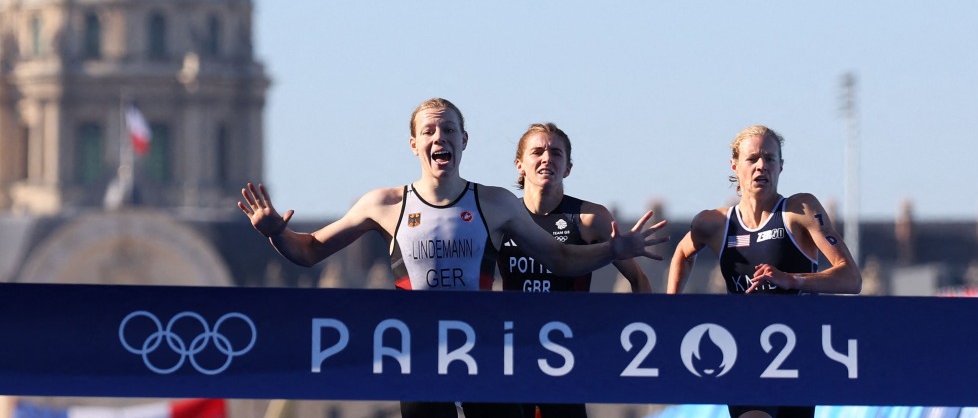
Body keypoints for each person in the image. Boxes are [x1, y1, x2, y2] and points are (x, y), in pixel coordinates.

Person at [238, 97, 668, 418]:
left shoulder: (496, 203)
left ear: (464, 141)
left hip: (484, 353)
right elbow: (309, 251)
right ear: (413, 144)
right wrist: (277, 233)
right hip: (419, 355)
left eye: (448, 131)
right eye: (429, 131)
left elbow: (558, 258)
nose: (439, 138)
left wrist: (613, 249)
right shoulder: (384, 203)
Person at [665, 124, 862, 418]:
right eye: (752, 159)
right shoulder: (713, 223)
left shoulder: (799, 210)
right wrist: (671, 308)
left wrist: (790, 279)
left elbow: (851, 278)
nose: (761, 166)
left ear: (781, 166)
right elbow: (682, 253)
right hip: (744, 348)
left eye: (769, 159)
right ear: (734, 165)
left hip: (799, 350)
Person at [497, 122, 652, 418]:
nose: (547, 159)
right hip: (514, 351)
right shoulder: (501, 218)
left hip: (565, 354)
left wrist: (640, 338)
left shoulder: (589, 218)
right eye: (538, 151)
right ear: (520, 165)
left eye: (556, 153)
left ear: (567, 167)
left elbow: (638, 279)